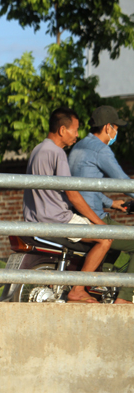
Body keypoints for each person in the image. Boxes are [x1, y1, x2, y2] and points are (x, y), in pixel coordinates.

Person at [23, 107, 111, 304]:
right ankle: (78, 290)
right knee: (106, 239)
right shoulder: (57, 153)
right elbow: (72, 194)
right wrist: (98, 223)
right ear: (62, 130)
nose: (78, 135)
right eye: (75, 129)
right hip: (58, 219)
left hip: (35, 220)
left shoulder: (37, 149)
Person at [68, 105, 134, 304]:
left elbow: (87, 187)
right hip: (93, 218)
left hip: (76, 213)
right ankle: (125, 299)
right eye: (116, 128)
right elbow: (122, 182)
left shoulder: (78, 146)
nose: (116, 132)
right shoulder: (101, 150)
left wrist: (111, 203)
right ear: (107, 128)